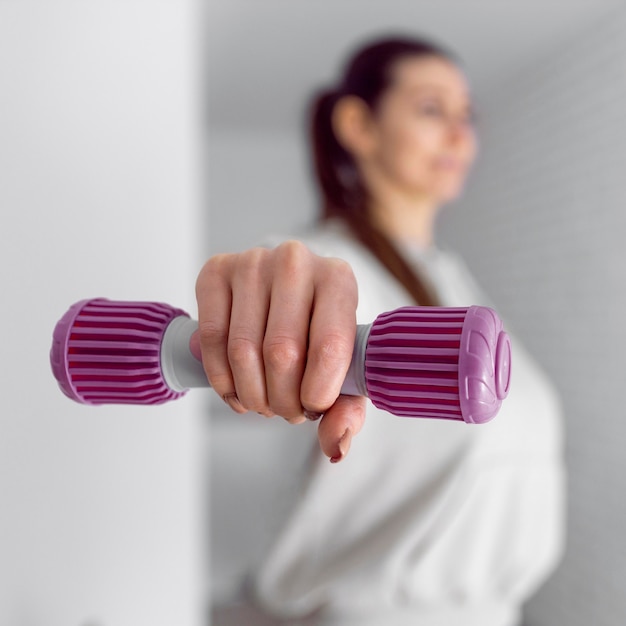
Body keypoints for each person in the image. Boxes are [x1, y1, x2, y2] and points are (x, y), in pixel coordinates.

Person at [195, 35, 565, 626]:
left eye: (468, 114)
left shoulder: (450, 277)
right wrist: (268, 285)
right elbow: (294, 291)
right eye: (431, 108)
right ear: (358, 126)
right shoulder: (323, 267)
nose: (460, 134)